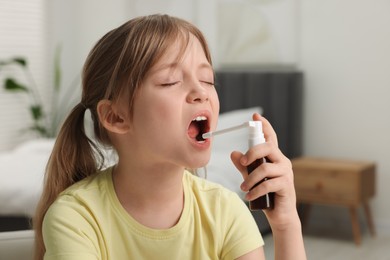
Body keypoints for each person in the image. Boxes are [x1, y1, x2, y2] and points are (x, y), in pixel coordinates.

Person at [33, 14, 306, 260]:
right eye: (170, 81)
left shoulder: (225, 210)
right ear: (116, 117)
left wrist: (286, 224)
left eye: (208, 80)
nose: (202, 92)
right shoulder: (76, 218)